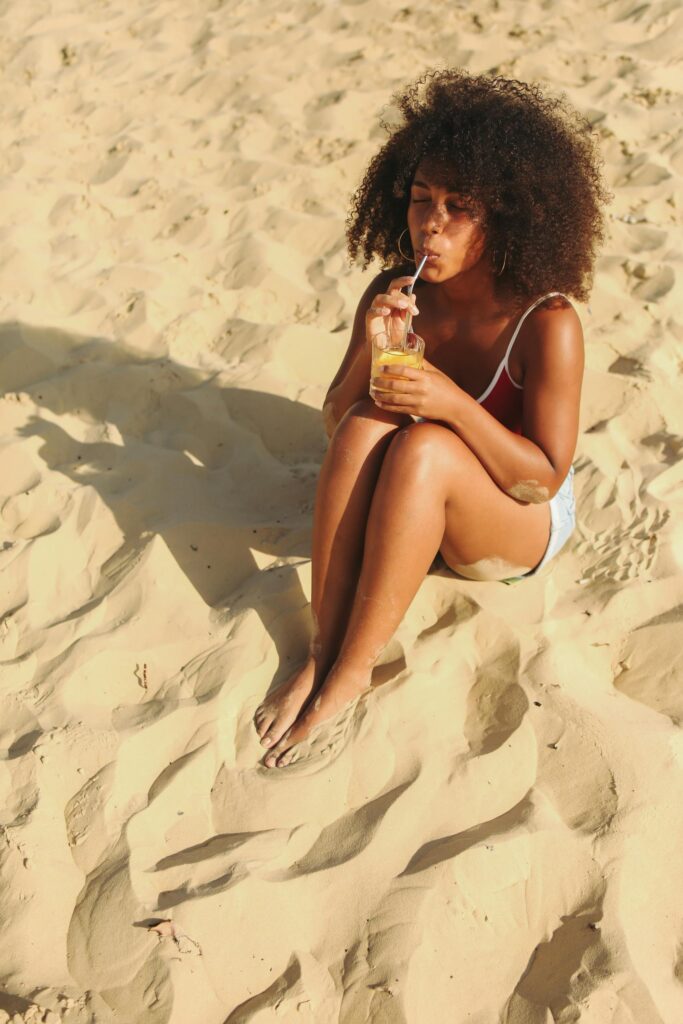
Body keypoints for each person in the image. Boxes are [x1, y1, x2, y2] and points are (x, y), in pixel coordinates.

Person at [253, 69, 609, 768]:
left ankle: (353, 670)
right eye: (420, 200)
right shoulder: (393, 292)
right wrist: (375, 348)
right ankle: (322, 648)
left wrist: (447, 403)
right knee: (366, 423)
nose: (431, 223)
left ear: (507, 216)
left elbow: (540, 478)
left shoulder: (546, 322)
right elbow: (337, 422)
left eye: (458, 207)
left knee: (426, 451)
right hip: (417, 498)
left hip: (514, 519)